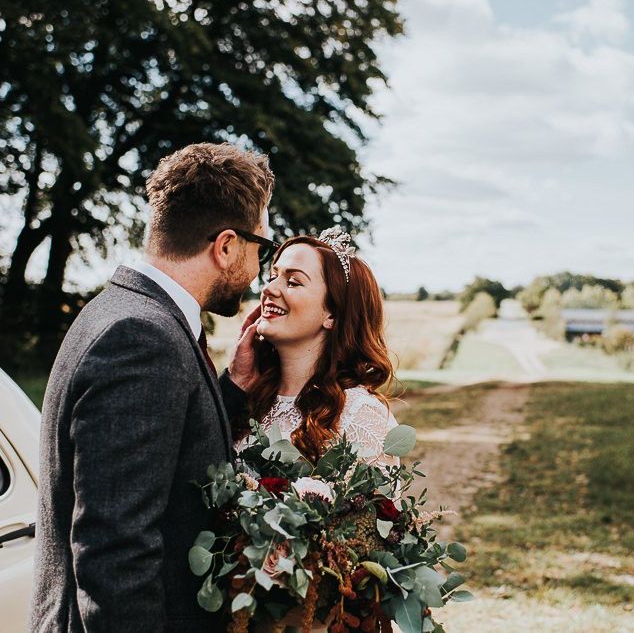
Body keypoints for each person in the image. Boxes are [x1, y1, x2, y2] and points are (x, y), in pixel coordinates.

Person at [30, 143, 275, 632]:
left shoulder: (122, 312)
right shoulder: (143, 339)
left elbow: (164, 459)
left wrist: (232, 388)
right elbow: (115, 553)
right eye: (260, 248)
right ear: (226, 246)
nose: (258, 270)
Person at [236, 225, 398, 472]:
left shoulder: (359, 415)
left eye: (292, 282)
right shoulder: (249, 397)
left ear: (332, 313)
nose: (268, 289)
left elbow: (370, 510)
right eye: (272, 277)